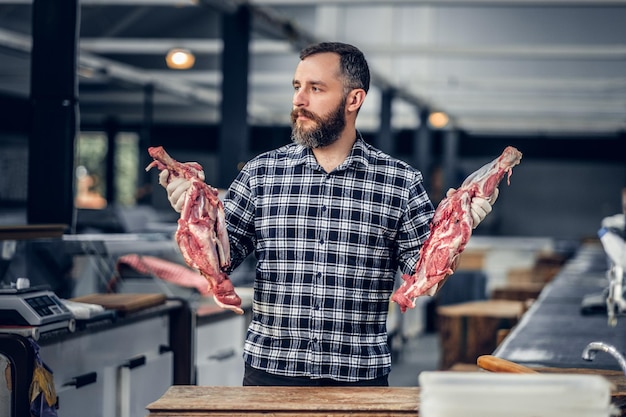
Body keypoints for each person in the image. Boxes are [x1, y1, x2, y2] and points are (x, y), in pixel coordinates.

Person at [159, 42, 497, 386]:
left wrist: (459, 229)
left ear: (354, 100)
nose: (299, 100)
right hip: (271, 375)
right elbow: (219, 261)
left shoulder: (400, 182)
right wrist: (192, 214)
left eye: (315, 88)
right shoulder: (260, 174)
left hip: (359, 380)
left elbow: (424, 276)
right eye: (296, 87)